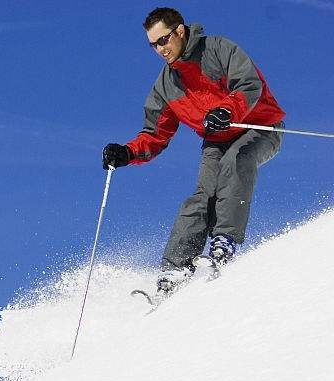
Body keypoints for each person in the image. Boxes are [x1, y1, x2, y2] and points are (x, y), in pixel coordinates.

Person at [101, 7, 285, 296]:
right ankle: (176, 267)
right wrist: (127, 152)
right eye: (153, 45)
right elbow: (154, 134)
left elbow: (249, 84)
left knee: (236, 163)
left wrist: (226, 109)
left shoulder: (217, 49)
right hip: (217, 139)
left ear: (180, 31)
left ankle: (224, 242)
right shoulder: (166, 86)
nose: (160, 50)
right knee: (203, 193)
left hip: (258, 126)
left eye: (164, 40)